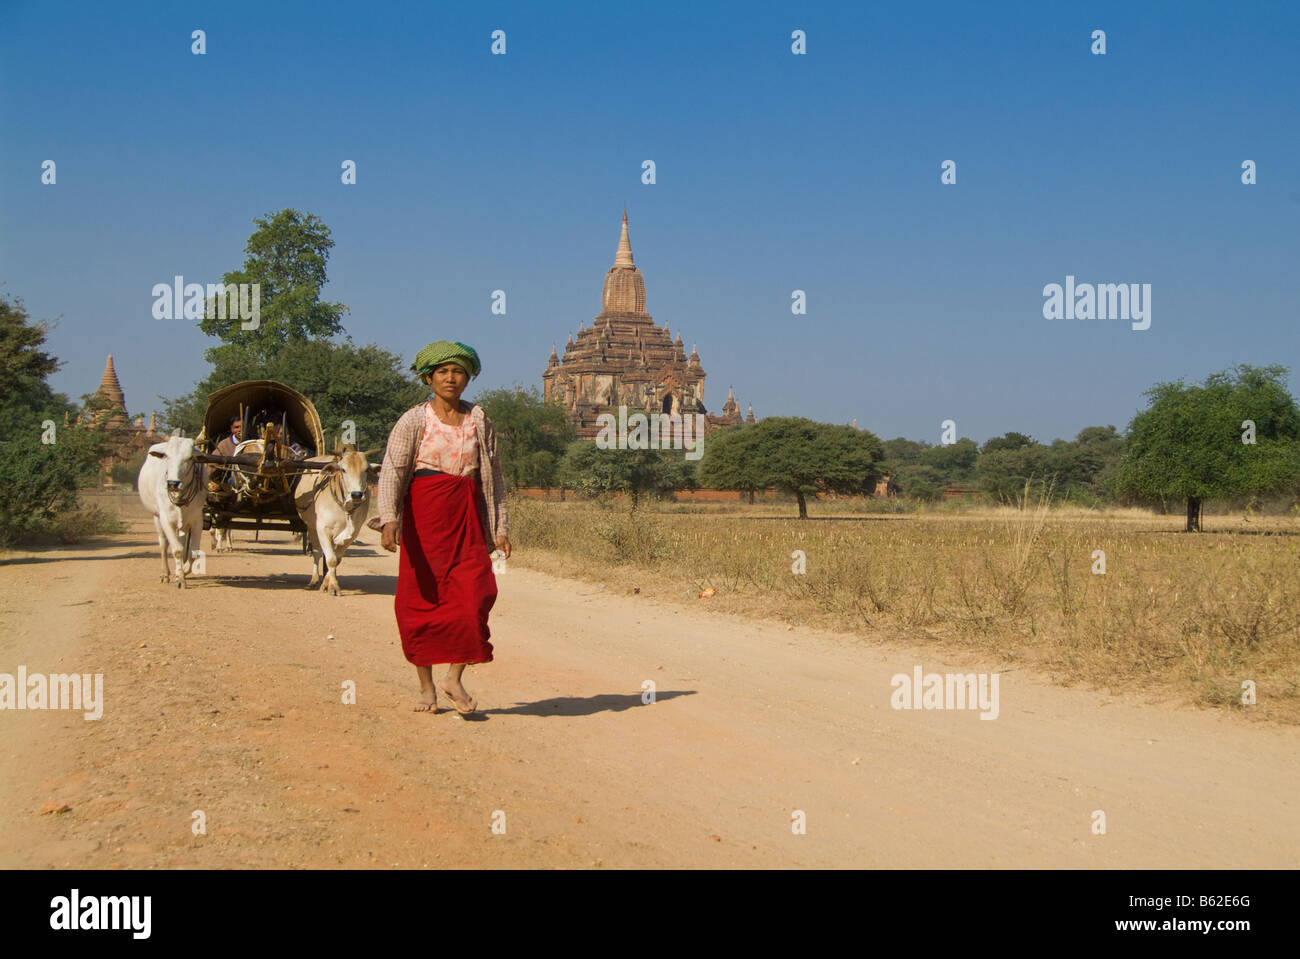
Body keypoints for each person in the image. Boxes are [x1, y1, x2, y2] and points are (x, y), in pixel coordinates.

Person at [368, 340, 510, 717]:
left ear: (468, 378)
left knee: (476, 594)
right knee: (421, 603)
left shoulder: (479, 419)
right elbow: (394, 471)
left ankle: (454, 677)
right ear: (429, 378)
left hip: (465, 518)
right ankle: (426, 686)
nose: (451, 378)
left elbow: (493, 477)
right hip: (423, 517)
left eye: (458, 371)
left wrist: (499, 528)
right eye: (443, 371)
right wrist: (389, 519)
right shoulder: (414, 420)